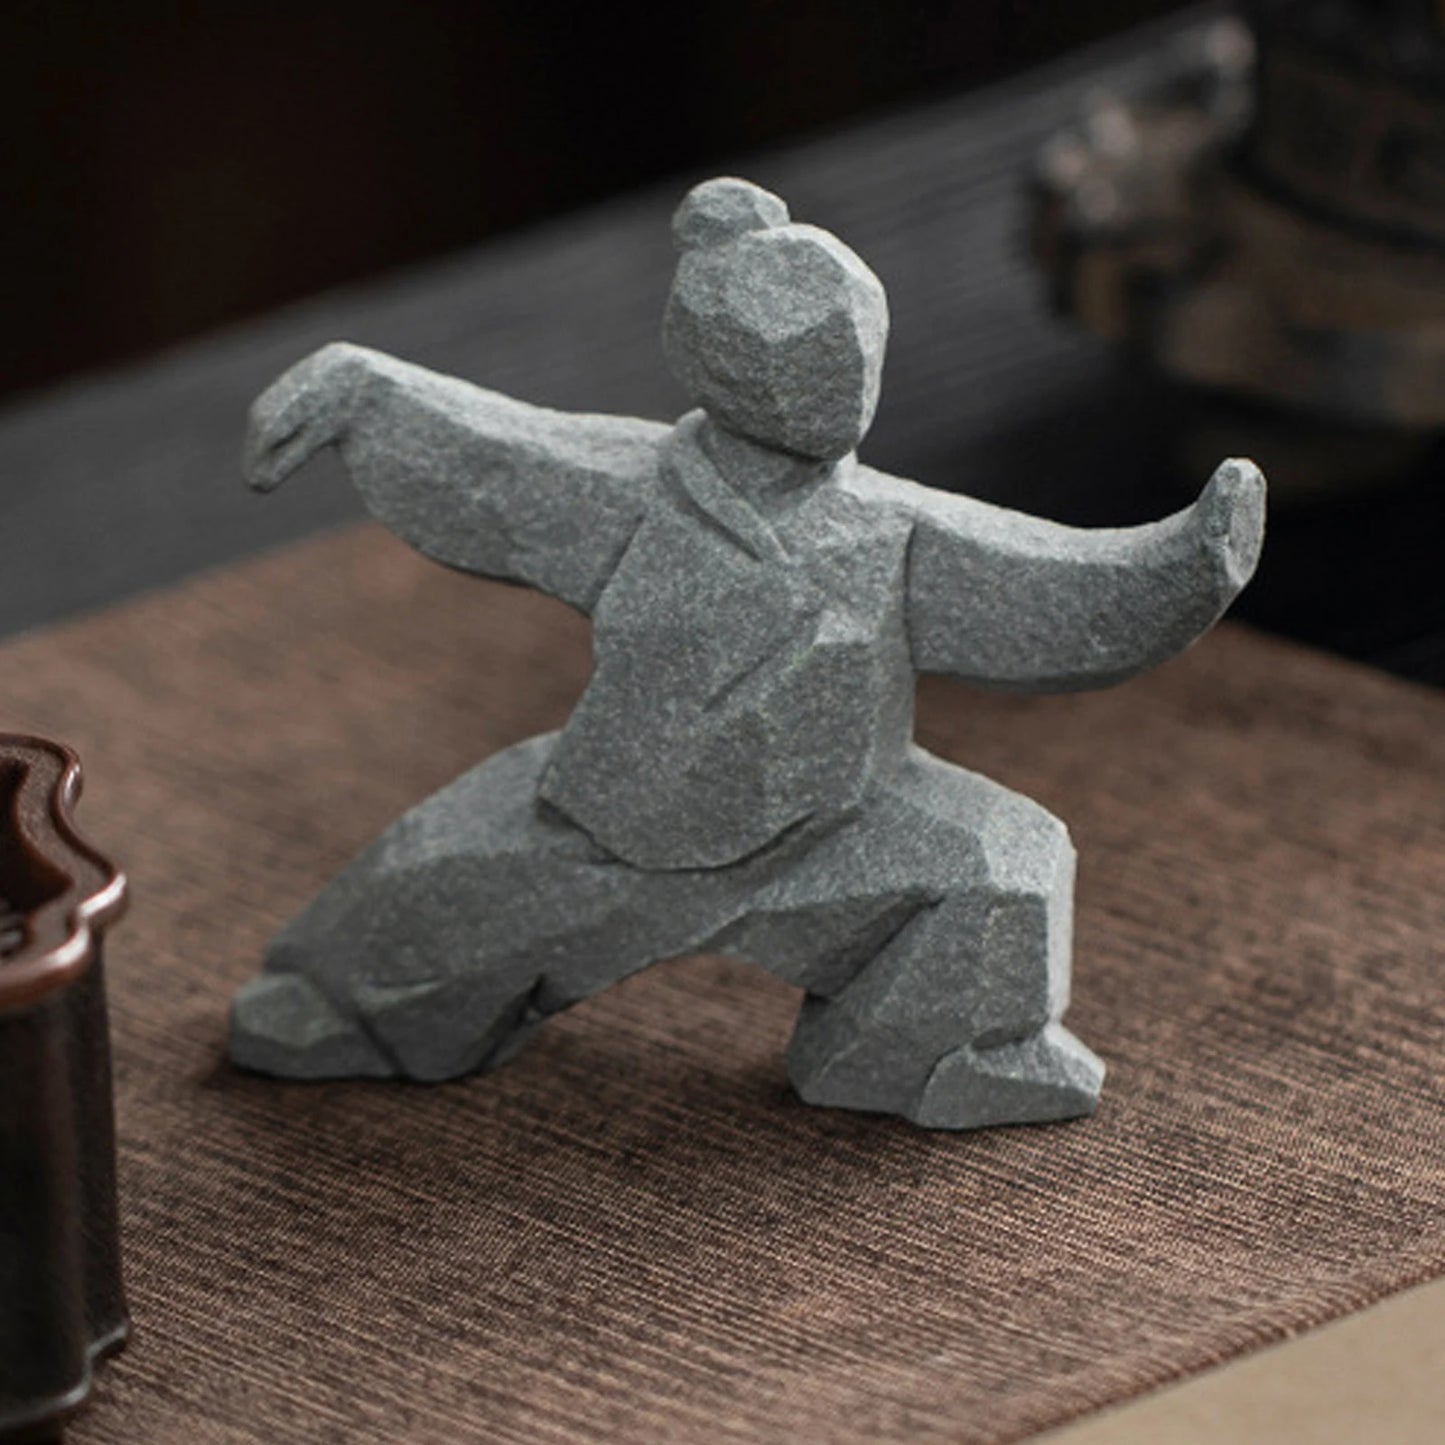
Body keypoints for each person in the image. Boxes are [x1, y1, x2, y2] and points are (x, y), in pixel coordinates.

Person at [231, 177, 1264, 1130]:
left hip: (834, 836)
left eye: (844, 361)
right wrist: (359, 392)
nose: (834, 387)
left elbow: (1060, 589)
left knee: (1006, 863)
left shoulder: (896, 530)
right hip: (612, 836)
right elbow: (488, 452)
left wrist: (1188, 564)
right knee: (424, 882)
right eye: (807, 366)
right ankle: (341, 1010)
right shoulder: (625, 485)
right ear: (714, 357)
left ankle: (922, 1054)